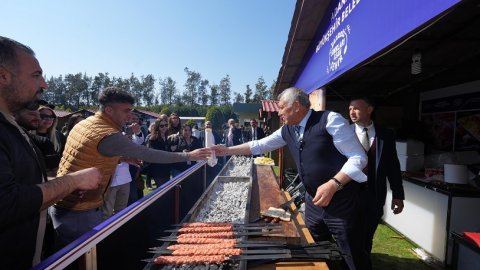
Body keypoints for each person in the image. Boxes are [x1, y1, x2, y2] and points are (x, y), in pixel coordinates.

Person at [213, 87, 368, 270]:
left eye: (281, 107)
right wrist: (226, 150)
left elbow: (359, 157)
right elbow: (259, 145)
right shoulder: (287, 130)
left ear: (296, 106)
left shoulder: (330, 120)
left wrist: (334, 184)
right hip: (313, 202)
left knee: (352, 253)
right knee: (318, 249)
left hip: (342, 203)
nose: (279, 112)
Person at [51, 86, 211, 248]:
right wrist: (189, 155)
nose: (130, 115)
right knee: (85, 257)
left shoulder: (87, 123)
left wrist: (122, 158)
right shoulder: (107, 134)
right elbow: (150, 154)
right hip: (79, 210)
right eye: (126, 111)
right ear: (109, 110)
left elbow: (90, 152)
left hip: (65, 203)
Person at [0, 36, 101, 269]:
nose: (44, 84)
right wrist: (72, 181)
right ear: (3, 76)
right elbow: (7, 203)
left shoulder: (12, 126)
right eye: (36, 75)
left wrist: (68, 185)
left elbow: (22, 183)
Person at [349, 96, 405, 268]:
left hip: (374, 196)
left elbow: (393, 167)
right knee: (349, 234)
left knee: (367, 235)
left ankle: (364, 262)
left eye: (356, 108)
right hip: (349, 196)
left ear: (369, 110)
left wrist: (398, 195)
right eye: (350, 108)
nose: (352, 112)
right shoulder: (344, 133)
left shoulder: (386, 135)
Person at [145, 119, 171, 189]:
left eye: (166, 125)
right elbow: (156, 155)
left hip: (166, 169)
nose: (164, 127)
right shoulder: (153, 139)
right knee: (162, 191)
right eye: (161, 126)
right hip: (158, 170)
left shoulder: (165, 137)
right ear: (157, 127)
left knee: (165, 190)